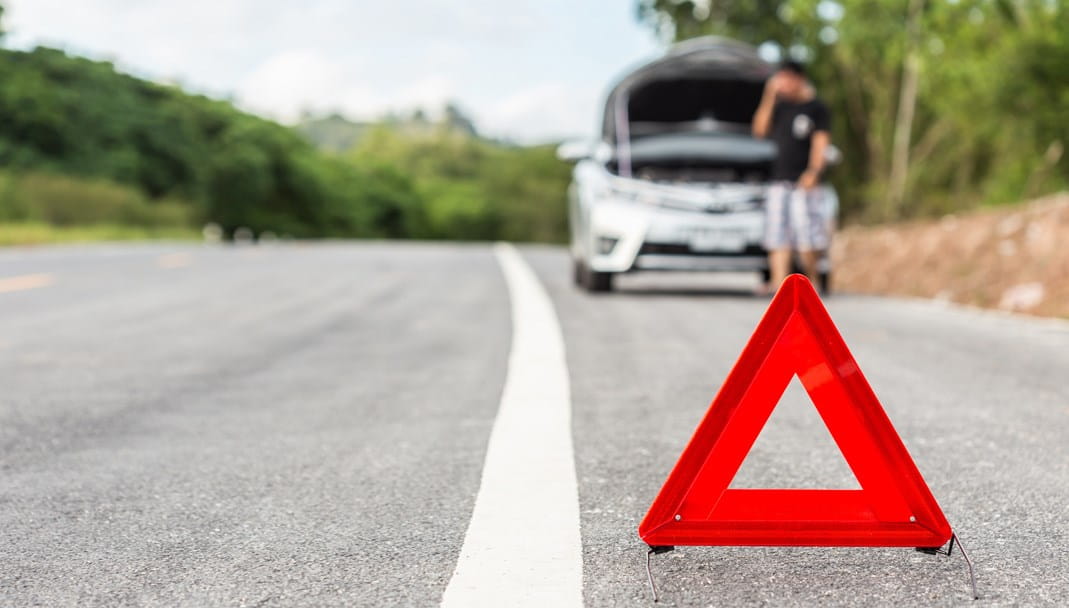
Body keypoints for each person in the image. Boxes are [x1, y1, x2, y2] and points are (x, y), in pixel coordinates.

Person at [752, 60, 832, 293]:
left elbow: (821, 143)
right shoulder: (779, 107)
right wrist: (769, 97)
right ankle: (779, 291)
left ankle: (812, 286)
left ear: (800, 79)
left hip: (805, 183)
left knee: (808, 238)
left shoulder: (816, 108)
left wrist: (814, 172)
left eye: (787, 78)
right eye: (780, 78)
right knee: (778, 240)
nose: (783, 83)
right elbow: (759, 130)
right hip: (779, 182)